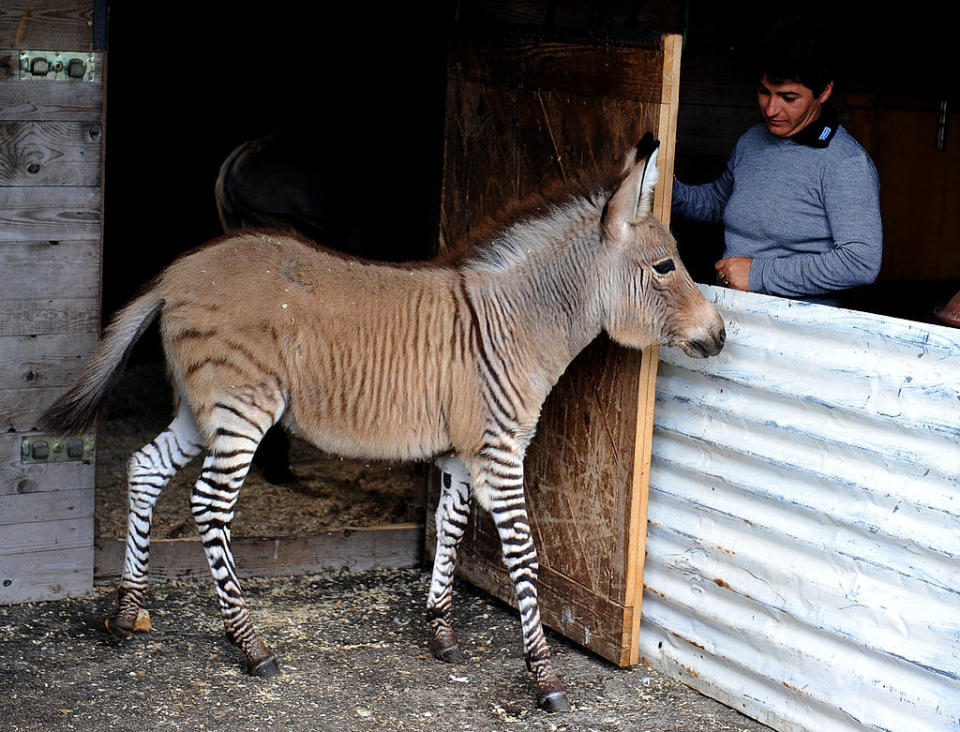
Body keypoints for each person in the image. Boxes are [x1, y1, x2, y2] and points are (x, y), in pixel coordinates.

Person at [672, 17, 882, 305]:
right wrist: (666, 189)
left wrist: (758, 274)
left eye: (788, 97)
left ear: (824, 91)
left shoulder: (845, 165)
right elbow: (719, 203)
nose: (771, 109)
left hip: (799, 327)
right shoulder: (752, 141)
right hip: (731, 312)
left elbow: (860, 263)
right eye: (764, 92)